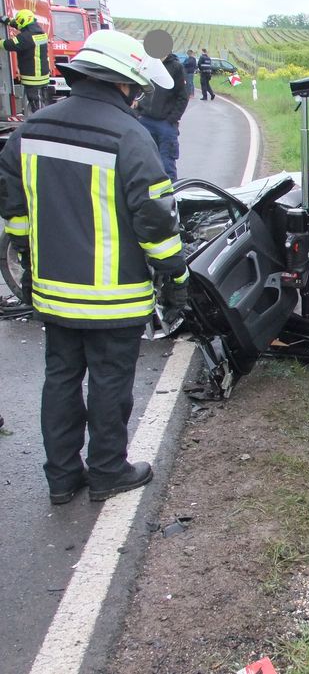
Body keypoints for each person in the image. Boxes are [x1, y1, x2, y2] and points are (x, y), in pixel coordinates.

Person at [0, 30, 188, 505]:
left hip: (51, 291)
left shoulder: (31, 129)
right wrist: (175, 277)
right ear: (124, 83)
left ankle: (62, 479)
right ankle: (107, 471)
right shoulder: (130, 136)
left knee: (61, 379)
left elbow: (13, 206)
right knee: (109, 384)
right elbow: (156, 220)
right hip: (114, 297)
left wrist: (25, 249)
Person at [136, 50, 188, 181]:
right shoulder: (148, 65)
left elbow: (183, 96)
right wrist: (139, 111)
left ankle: (170, 196)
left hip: (165, 124)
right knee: (143, 160)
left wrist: (172, 118)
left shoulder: (176, 67)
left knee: (166, 163)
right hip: (145, 120)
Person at [1, 9, 50, 114]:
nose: (18, 25)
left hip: (33, 78)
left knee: (36, 107)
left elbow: (9, 44)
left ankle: (39, 126)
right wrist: (6, 20)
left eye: (20, 22)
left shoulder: (26, 37)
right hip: (42, 76)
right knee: (42, 103)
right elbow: (20, 25)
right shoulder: (40, 32)